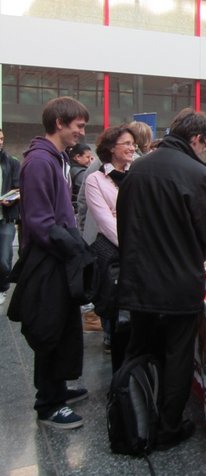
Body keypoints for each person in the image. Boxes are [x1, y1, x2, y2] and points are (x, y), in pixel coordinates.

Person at [116, 108, 206, 450]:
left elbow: (124, 223)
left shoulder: (138, 167)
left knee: (140, 346)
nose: (205, 151)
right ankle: (169, 426)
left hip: (139, 278)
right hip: (179, 281)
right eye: (205, 144)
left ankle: (134, 416)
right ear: (196, 139)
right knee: (178, 354)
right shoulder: (197, 173)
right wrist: (188, 257)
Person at [9, 97, 91, 429]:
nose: (81, 133)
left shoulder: (53, 158)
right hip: (49, 259)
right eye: (78, 126)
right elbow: (40, 221)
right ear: (60, 122)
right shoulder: (40, 162)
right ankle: (49, 404)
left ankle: (57, 389)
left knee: (62, 327)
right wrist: (74, 248)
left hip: (58, 255)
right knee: (49, 329)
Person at [84, 125, 136, 356]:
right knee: (114, 307)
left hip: (139, 251)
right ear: (111, 148)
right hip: (115, 252)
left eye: (133, 144)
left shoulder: (137, 174)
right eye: (127, 143)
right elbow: (105, 221)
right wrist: (133, 245)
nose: (132, 148)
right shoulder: (95, 179)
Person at [0, 128, 20, 306]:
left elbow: (18, 187)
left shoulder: (11, 162)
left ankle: (2, 287)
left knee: (4, 259)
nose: (0, 142)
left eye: (1, 138)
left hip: (5, 218)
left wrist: (10, 199)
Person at [66, 143, 93, 214]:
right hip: (78, 210)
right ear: (78, 157)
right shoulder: (80, 173)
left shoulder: (69, 167)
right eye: (87, 157)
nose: (90, 160)